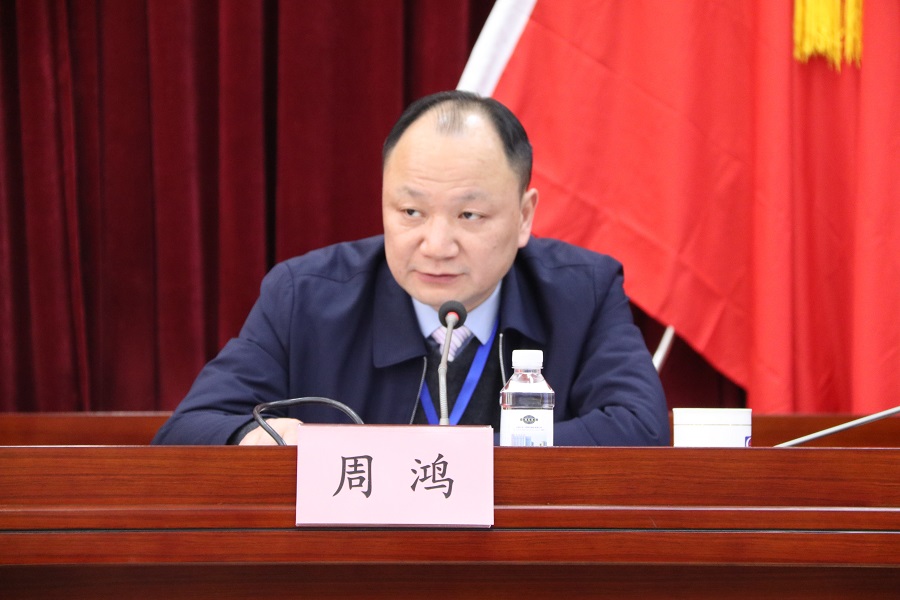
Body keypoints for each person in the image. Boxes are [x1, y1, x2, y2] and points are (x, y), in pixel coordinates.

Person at [152, 90, 669, 446]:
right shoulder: (304, 297)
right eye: (411, 212)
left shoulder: (584, 291)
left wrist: (466, 460)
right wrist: (257, 438)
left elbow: (641, 430)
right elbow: (188, 431)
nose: (436, 245)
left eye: (469, 215)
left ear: (524, 216)